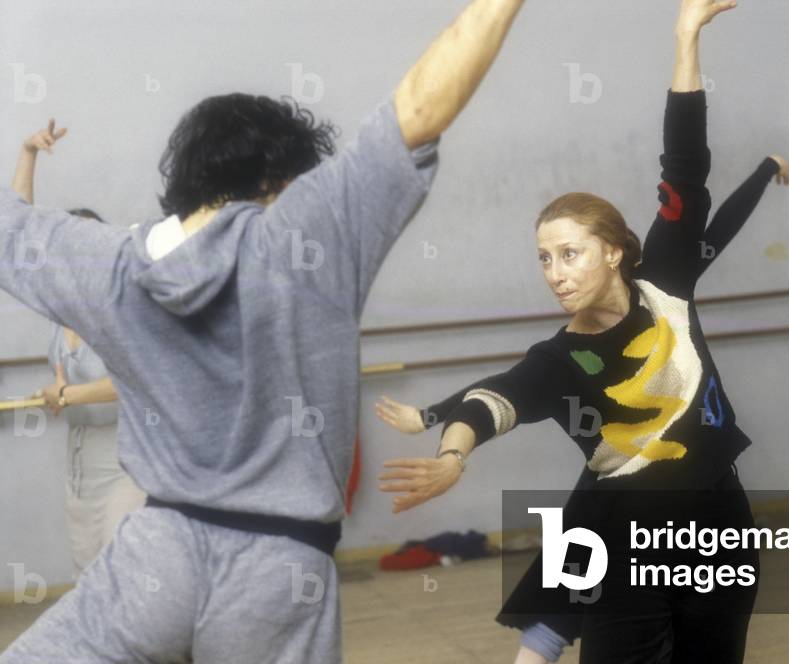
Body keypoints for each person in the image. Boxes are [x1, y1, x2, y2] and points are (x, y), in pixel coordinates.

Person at [0, 1, 528, 662]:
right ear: (279, 183)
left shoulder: (109, 261)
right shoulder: (304, 234)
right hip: (278, 574)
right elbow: (421, 109)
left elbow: (10, 228)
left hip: (152, 555)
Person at [379, 1, 789, 661]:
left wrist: (686, 35)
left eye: (569, 253)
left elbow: (686, 169)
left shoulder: (666, 279)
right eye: (544, 258)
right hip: (626, 542)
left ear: (613, 251)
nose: (554, 271)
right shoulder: (561, 359)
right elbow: (493, 400)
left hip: (719, 526)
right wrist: (451, 453)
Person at [11, 120, 147, 581]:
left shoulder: (119, 309)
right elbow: (16, 231)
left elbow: (133, 381)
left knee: (123, 578)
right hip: (79, 468)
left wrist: (67, 396)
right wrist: (27, 154)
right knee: (88, 582)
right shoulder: (59, 306)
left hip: (128, 464)